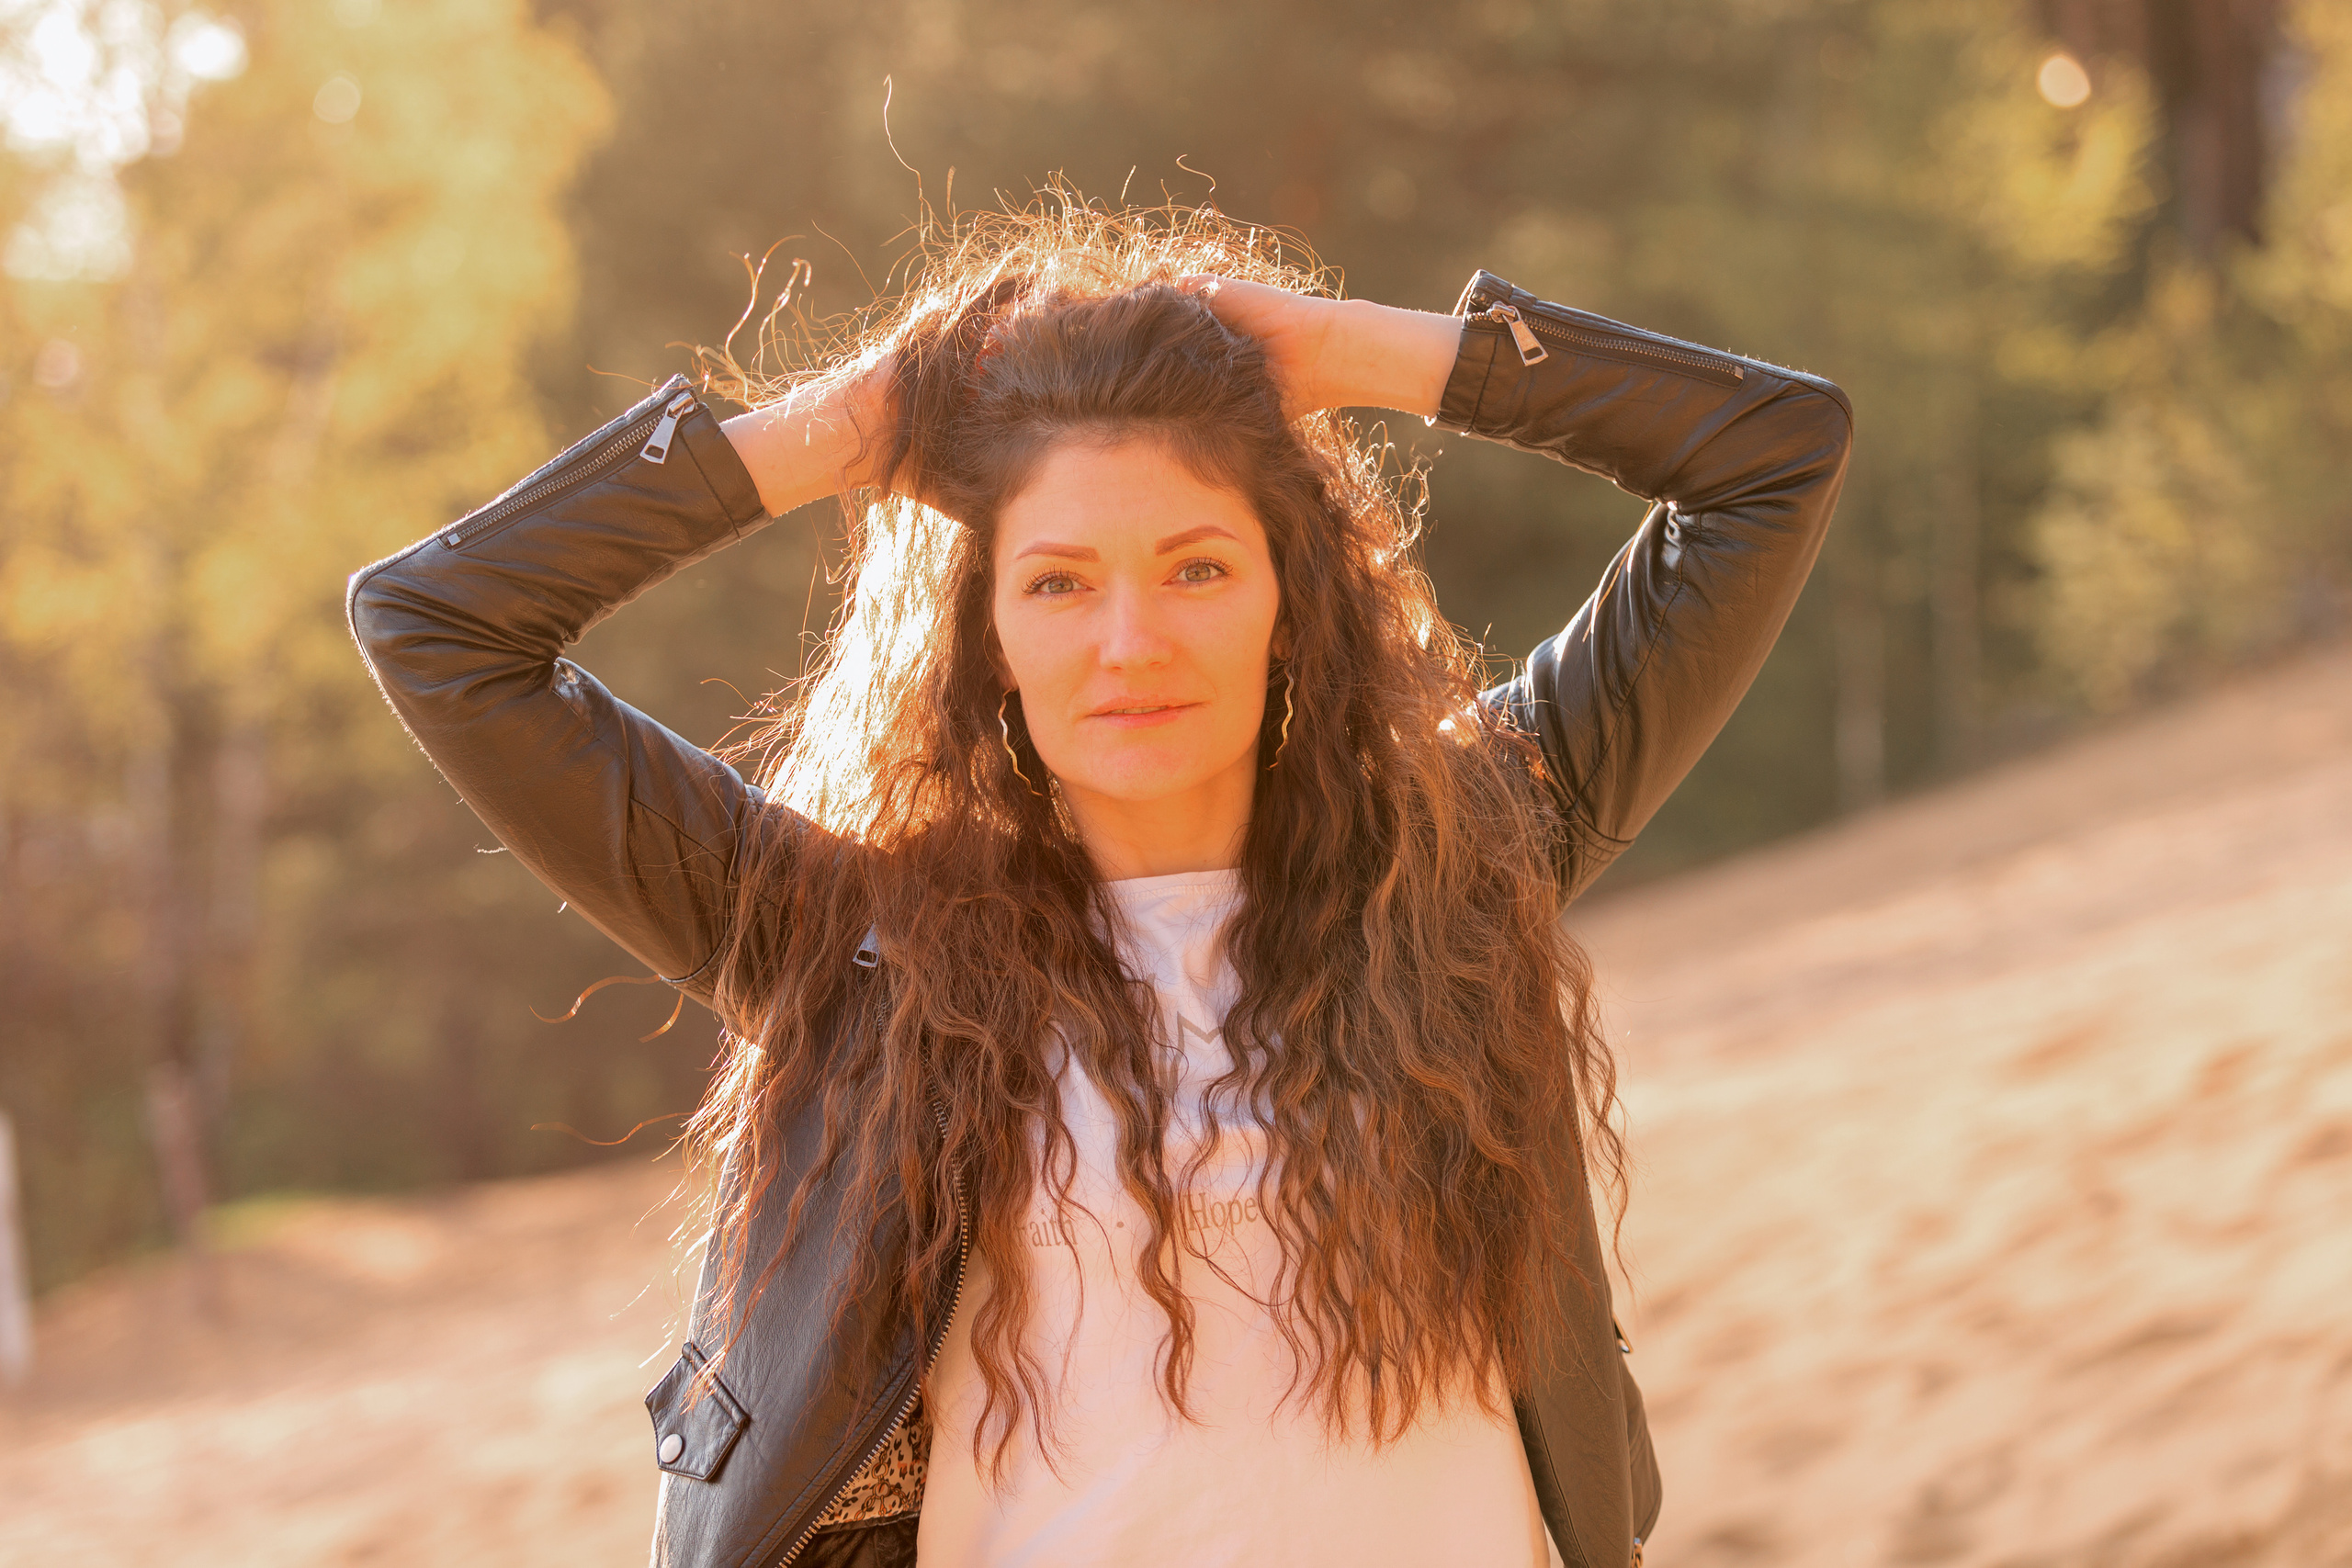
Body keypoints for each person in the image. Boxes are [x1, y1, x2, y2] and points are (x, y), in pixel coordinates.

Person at [348, 205, 1849, 1568]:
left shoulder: (1464, 861)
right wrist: (853, 425)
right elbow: (438, 626)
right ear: (988, 628)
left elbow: (1774, 458)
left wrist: (1357, 350)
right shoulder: (853, 950)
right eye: (1059, 581)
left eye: (1197, 567)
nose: (1129, 642)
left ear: (1292, 596)